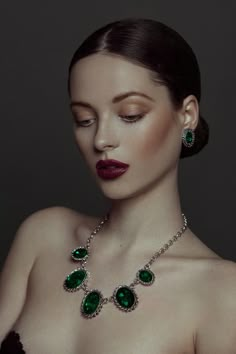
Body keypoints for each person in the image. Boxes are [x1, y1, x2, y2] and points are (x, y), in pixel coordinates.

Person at [0, 17, 236, 354]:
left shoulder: (223, 294)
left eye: (130, 114)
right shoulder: (42, 236)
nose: (101, 139)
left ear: (187, 115)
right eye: (85, 119)